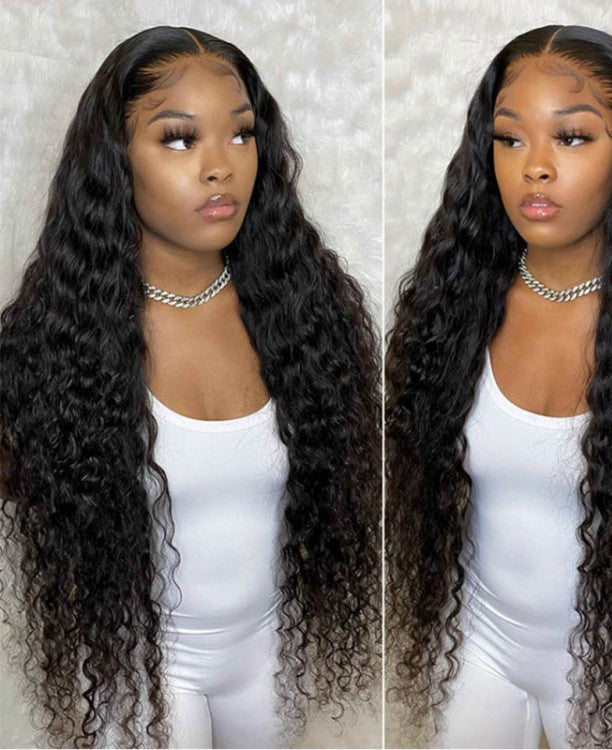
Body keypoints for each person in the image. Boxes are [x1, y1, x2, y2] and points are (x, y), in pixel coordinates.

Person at [0, 25, 381, 749]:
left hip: (271, 660)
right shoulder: (57, 344)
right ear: (115, 160)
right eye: (179, 139)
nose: (220, 167)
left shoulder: (307, 315)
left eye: (241, 135)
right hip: (141, 674)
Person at [385, 24, 612, 749]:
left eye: (573, 137)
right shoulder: (450, 308)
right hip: (480, 645)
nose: (535, 168)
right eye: (510, 139)